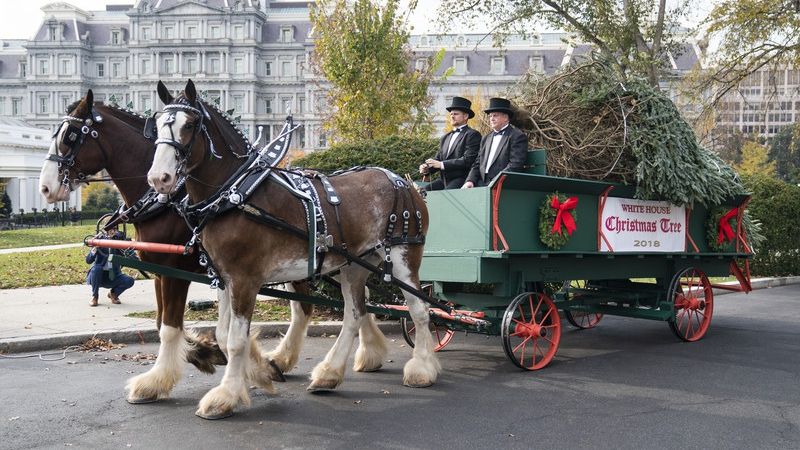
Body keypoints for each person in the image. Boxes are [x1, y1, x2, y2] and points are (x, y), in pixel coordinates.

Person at [462, 97, 528, 188]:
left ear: (505, 117)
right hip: (481, 182)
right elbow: (477, 163)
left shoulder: (517, 136)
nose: (491, 119)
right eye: (490, 116)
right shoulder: (486, 138)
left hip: (502, 184)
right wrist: (470, 180)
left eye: (495, 115)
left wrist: (496, 181)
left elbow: (515, 165)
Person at [419, 96, 481, 190]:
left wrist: (442, 164)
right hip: (443, 180)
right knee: (423, 193)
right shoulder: (445, 137)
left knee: (447, 196)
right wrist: (427, 168)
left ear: (465, 116)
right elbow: (438, 159)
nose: (452, 116)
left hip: (461, 179)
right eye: (451, 114)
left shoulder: (472, 135)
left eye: (456, 114)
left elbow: (467, 160)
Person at [85, 225, 135, 307]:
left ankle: (113, 294)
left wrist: (130, 249)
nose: (113, 231)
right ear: (106, 230)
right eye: (111, 229)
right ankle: (95, 297)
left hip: (113, 275)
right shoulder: (100, 240)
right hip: (98, 276)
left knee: (129, 280)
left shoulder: (119, 241)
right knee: (97, 268)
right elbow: (88, 260)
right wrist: (94, 250)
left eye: (115, 229)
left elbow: (129, 257)